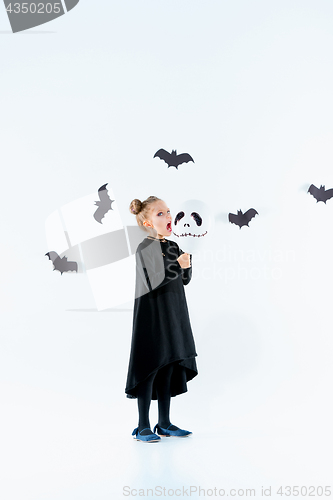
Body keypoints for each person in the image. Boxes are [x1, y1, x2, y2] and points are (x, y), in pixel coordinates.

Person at [125, 195, 198, 442]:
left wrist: (186, 265)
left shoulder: (173, 246)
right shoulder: (144, 247)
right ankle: (143, 425)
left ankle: (164, 423)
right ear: (147, 223)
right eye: (160, 214)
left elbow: (183, 281)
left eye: (168, 212)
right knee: (150, 367)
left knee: (168, 365)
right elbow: (153, 279)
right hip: (152, 315)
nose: (168, 217)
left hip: (173, 314)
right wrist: (178, 265)